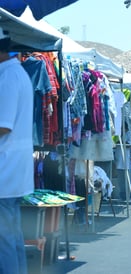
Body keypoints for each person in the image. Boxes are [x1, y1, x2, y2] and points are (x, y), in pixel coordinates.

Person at [0, 28, 33, 274]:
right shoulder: (15, 73)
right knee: (12, 237)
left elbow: (3, 125)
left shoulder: (8, 77)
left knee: (5, 243)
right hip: (12, 170)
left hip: (6, 170)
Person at [114, 122, 131, 200]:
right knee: (121, 181)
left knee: (129, 180)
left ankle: (130, 196)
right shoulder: (118, 135)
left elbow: (130, 145)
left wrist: (119, 142)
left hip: (128, 162)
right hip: (119, 162)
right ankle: (122, 196)